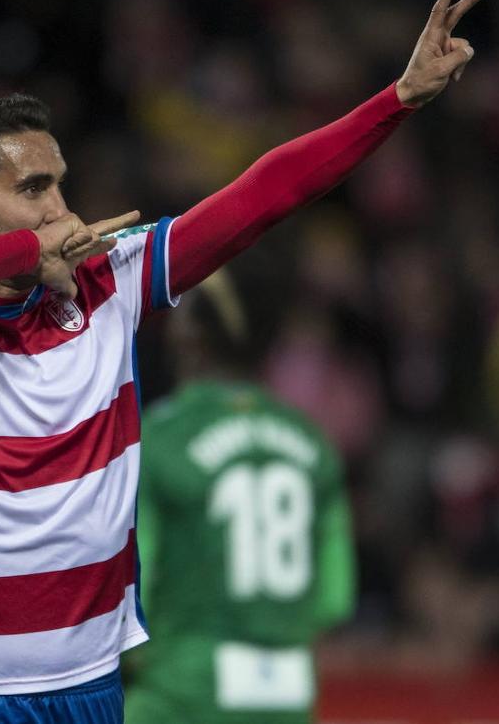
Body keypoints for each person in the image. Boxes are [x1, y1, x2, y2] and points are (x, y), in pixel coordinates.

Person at [0, 0, 486, 724]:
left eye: (60, 187)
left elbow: (262, 195)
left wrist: (397, 100)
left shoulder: (111, 279)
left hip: (83, 689)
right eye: (32, 190)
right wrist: (29, 250)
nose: (59, 208)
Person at [123, 269, 356, 724]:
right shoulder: (313, 443)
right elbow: (335, 597)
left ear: (189, 336)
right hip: (287, 693)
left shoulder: (161, 438)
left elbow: (133, 586)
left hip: (178, 691)